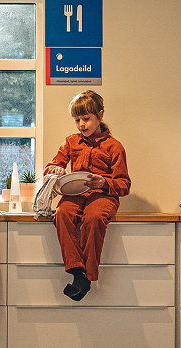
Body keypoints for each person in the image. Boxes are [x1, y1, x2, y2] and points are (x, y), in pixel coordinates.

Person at [44, 90, 131, 301]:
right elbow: (51, 166)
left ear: (99, 115)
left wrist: (104, 182)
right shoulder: (71, 142)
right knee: (62, 213)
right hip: (76, 193)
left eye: (86, 119)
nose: (81, 124)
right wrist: (56, 168)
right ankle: (77, 272)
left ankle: (89, 276)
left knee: (94, 218)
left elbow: (124, 184)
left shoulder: (115, 146)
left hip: (103, 195)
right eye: (77, 120)